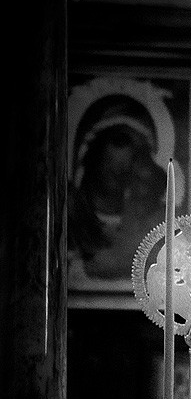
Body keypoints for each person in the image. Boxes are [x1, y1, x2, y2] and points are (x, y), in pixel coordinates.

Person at [68, 94, 169, 282]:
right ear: (90, 147)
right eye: (120, 141)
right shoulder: (66, 216)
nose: (128, 161)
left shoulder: (154, 225)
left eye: (140, 152)